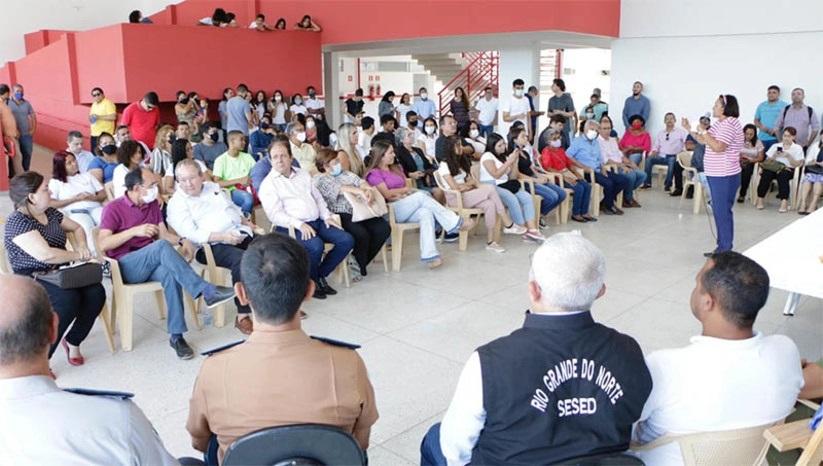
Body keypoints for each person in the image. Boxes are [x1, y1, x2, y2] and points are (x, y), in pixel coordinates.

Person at [421, 233, 652, 466]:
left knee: (435, 437)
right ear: (601, 290)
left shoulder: (489, 362)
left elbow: (454, 452)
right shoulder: (629, 351)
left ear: (533, 290)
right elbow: (633, 425)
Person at [186, 233, 376, 464]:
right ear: (309, 291)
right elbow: (360, 444)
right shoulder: (348, 362)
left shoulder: (214, 370)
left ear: (241, 294)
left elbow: (200, 442)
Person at [632, 252, 803, 466]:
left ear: (707, 302)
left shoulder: (666, 367)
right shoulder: (785, 350)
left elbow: (622, 426)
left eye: (697, 284)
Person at [0, 275, 178, 464]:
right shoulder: (116, 418)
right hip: (46, 276)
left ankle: (74, 340)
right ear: (54, 328)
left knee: (94, 293)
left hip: (64, 275)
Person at [98, 168, 236, 358]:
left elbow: (163, 235)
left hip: (152, 261)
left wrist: (181, 240)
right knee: (161, 247)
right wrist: (133, 232)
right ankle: (206, 290)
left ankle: (176, 336)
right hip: (125, 266)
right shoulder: (113, 208)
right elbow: (103, 243)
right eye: (152, 185)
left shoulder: (152, 204)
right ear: (137, 188)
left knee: (170, 275)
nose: (157, 188)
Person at [4, 172, 105, 367]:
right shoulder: (17, 222)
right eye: (45, 189)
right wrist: (80, 256)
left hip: (60, 272)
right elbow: (46, 255)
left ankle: (74, 340)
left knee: (96, 292)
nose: (50, 192)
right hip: (33, 277)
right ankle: (41, 359)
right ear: (31, 197)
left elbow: (76, 228)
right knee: (68, 300)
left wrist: (82, 246)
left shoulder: (49, 212)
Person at [167, 159, 256, 334]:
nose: (188, 184)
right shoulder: (177, 203)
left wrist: (246, 221)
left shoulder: (212, 188)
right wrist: (224, 237)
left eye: (192, 178)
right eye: (182, 180)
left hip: (237, 232)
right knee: (242, 259)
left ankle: (276, 303)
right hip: (208, 246)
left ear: (201, 176)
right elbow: (192, 233)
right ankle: (243, 315)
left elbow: (232, 208)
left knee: (272, 249)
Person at [258, 139, 354, 298]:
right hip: (290, 227)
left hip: (317, 220)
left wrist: (327, 216)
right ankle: (314, 283)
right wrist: (299, 224)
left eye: (283, 155)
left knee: (346, 240)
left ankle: (316, 277)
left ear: (290, 157)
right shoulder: (268, 185)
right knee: (315, 246)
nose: (280, 160)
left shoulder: (302, 174)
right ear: (270, 160)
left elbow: (317, 198)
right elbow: (275, 215)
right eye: (275, 157)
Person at [366, 140, 472, 268]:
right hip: (390, 210)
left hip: (405, 203)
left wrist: (405, 193)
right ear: (381, 156)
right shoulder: (374, 173)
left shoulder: (396, 168)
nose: (394, 155)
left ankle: (430, 256)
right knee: (421, 196)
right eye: (391, 153)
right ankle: (455, 222)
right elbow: (387, 194)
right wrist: (406, 191)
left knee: (425, 213)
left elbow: (403, 187)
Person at [313, 148, 390, 279]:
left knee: (383, 228)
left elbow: (362, 182)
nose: (339, 163)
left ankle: (358, 262)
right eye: (335, 161)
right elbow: (340, 189)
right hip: (341, 214)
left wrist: (367, 190)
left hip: (361, 210)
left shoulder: (346, 174)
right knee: (361, 234)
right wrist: (358, 191)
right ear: (325, 165)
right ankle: (359, 266)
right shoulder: (320, 179)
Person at [682, 94, 744, 255]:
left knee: (721, 210)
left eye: (716, 105)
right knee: (719, 209)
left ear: (725, 107)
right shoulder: (720, 124)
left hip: (724, 174)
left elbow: (718, 147)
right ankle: (722, 246)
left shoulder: (729, 124)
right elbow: (704, 141)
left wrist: (704, 131)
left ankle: (724, 249)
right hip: (717, 173)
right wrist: (689, 129)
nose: (713, 107)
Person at [438, 135, 515, 253]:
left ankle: (491, 242)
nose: (461, 147)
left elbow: (471, 182)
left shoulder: (460, 161)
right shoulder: (444, 165)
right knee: (490, 188)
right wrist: (469, 185)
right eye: (457, 145)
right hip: (455, 198)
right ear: (450, 148)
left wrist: (468, 185)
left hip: (467, 195)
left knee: (490, 204)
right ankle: (507, 222)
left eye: (461, 144)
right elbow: (455, 188)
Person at [479, 133, 544, 241]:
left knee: (526, 197)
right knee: (512, 198)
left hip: (506, 184)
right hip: (491, 186)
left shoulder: (503, 157)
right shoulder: (487, 156)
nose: (503, 147)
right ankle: (523, 229)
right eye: (499, 145)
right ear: (492, 146)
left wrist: (515, 162)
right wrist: (509, 161)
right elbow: (496, 174)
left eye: (503, 144)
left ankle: (532, 230)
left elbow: (513, 176)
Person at [567, 120, 629, 215]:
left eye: (596, 130)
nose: (594, 132)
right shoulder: (577, 141)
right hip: (587, 172)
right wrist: (583, 166)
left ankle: (605, 202)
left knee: (623, 180)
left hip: (598, 169)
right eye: (592, 129)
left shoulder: (596, 143)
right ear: (585, 129)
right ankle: (609, 206)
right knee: (609, 183)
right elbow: (568, 156)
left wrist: (603, 167)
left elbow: (600, 158)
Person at [48, 151, 106, 253]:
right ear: (61, 167)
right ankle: (97, 257)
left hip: (95, 207)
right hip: (75, 212)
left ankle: (112, 250)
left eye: (74, 160)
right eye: (69, 163)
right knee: (87, 229)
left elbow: (102, 193)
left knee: (106, 222)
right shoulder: (56, 182)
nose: (74, 164)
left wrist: (93, 197)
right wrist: (74, 199)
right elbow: (52, 203)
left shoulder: (87, 175)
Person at [509, 126, 567, 222]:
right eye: (523, 136)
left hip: (534, 179)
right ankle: (536, 217)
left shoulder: (524, 152)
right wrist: (535, 180)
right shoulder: (512, 155)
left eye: (526, 136)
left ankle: (539, 214)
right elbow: (517, 174)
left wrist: (541, 176)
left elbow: (532, 168)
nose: (526, 138)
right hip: (526, 183)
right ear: (515, 140)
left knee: (562, 194)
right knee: (553, 197)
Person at [540, 129, 596, 222]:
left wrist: (576, 173)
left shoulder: (561, 150)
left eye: (559, 138)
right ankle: (576, 213)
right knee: (579, 188)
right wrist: (563, 177)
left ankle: (584, 212)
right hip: (558, 178)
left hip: (568, 174)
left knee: (587, 186)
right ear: (548, 141)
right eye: (555, 139)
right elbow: (548, 168)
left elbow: (569, 164)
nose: (558, 140)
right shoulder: (546, 151)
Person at [755, 126, 804, 213]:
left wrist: (788, 156)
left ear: (793, 137)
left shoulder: (797, 148)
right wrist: (774, 155)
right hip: (774, 167)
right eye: (784, 135)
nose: (786, 138)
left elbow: (798, 164)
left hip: (788, 169)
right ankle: (760, 198)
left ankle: (784, 202)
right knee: (766, 174)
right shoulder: (776, 146)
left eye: (789, 136)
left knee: (783, 175)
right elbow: (767, 161)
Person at [600, 116, 645, 207]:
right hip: (612, 167)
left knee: (642, 175)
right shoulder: (598, 142)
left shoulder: (613, 140)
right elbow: (606, 160)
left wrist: (630, 163)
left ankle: (625, 195)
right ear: (599, 129)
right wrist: (622, 166)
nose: (607, 131)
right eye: (604, 129)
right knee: (631, 175)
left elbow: (620, 155)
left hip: (621, 164)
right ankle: (628, 198)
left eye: (609, 128)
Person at [213, 131, 256, 216]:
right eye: (241, 140)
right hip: (232, 190)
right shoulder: (220, 160)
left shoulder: (247, 156)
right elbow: (217, 183)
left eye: (244, 140)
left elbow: (256, 173)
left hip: (250, 186)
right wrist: (239, 180)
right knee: (248, 199)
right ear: (232, 142)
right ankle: (244, 222)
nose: (244, 142)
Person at [395, 127, 442, 200]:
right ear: (401, 139)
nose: (412, 136)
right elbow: (400, 170)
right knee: (436, 192)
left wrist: (427, 173)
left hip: (425, 181)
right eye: (409, 135)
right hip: (412, 183)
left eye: (412, 134)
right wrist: (410, 174)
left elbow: (428, 166)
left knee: (440, 191)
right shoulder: (399, 152)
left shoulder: (418, 150)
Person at [646, 112, 687, 191]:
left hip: (673, 157)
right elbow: (656, 146)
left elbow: (686, 143)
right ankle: (647, 183)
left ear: (675, 120)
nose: (669, 120)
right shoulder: (661, 133)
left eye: (671, 118)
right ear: (664, 121)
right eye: (667, 119)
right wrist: (654, 152)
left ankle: (668, 184)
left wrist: (682, 152)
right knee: (649, 159)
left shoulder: (680, 132)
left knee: (672, 160)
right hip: (661, 156)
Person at [8, 84, 35, 171]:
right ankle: (13, 173)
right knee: (14, 155)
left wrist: (33, 129)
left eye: (21, 91)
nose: (20, 93)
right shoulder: (7, 103)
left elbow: (33, 116)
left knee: (27, 153)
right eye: (17, 91)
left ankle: (26, 171)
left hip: (26, 134)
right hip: (13, 135)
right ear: (12, 92)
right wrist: (14, 130)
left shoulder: (27, 104)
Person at [754, 85, 788, 153]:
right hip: (762, 138)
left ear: (778, 94)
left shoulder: (784, 105)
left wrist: (777, 130)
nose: (771, 94)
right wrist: (762, 128)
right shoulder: (761, 105)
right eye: (769, 92)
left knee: (777, 159)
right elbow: (756, 120)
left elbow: (787, 121)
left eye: (774, 92)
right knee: (761, 159)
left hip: (777, 139)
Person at [0, 84, 24, 176]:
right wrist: (4, 136)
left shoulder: (4, 103)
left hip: (12, 134)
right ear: (5, 93)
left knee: (15, 156)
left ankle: (14, 175)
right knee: (17, 156)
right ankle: (21, 176)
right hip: (8, 136)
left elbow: (8, 119)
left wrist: (16, 130)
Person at [738, 123, 765, 203]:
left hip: (752, 162)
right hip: (738, 161)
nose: (748, 136)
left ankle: (742, 194)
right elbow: (733, 152)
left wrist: (749, 160)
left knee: (747, 171)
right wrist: (739, 159)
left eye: (751, 134)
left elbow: (761, 157)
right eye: (746, 134)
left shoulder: (758, 142)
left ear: (754, 134)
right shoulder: (738, 141)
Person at [798, 130, 823, 215]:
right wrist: (814, 161)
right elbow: (807, 161)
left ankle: (813, 204)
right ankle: (803, 203)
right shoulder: (815, 146)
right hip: (813, 169)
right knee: (807, 180)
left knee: (818, 181)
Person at [149, 125, 175, 194]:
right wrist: (161, 193)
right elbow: (157, 174)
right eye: (170, 135)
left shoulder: (176, 149)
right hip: (164, 184)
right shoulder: (158, 151)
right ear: (163, 138)